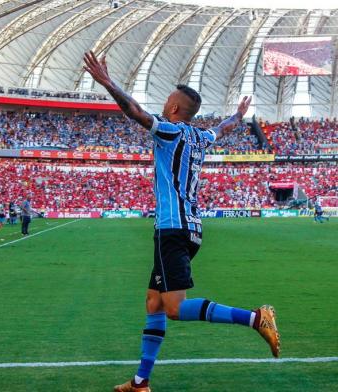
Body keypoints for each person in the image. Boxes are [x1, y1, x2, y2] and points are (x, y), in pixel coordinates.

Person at [83, 51, 281, 392]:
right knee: (154, 302)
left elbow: (137, 114)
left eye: (167, 101)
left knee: (173, 308)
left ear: (175, 109)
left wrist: (108, 83)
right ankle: (141, 382)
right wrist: (238, 114)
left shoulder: (171, 131)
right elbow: (224, 128)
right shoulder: (201, 137)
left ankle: (255, 317)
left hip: (172, 229)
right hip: (190, 228)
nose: (163, 105)